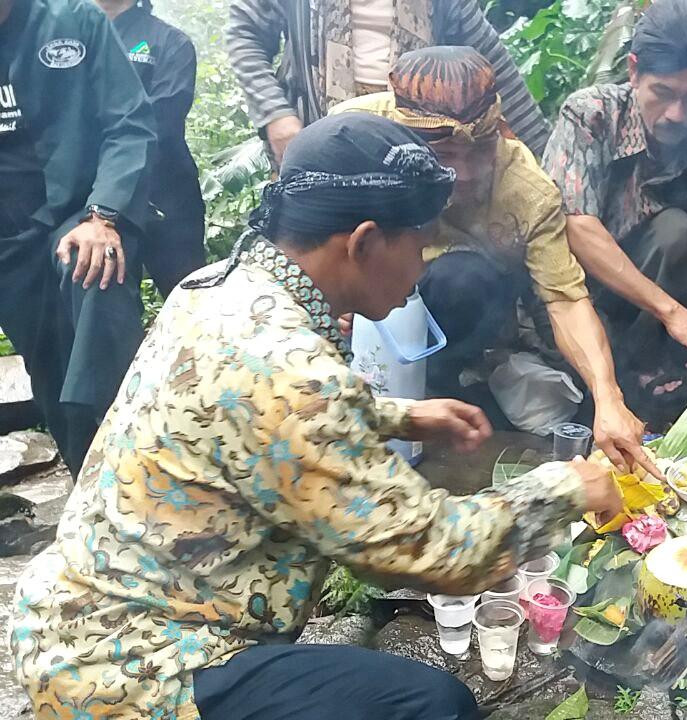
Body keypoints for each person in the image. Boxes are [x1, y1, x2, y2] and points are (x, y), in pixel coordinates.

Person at [9, 113, 623, 720]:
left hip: (75, 622)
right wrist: (567, 486)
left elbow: (252, 413)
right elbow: (434, 549)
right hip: (134, 670)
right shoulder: (295, 378)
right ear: (362, 242)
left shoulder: (217, 286)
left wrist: (397, 416)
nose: (423, 267)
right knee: (431, 705)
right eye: (418, 244)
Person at [332, 46, 661, 476]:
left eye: (481, 151)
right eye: (446, 156)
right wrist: (339, 298)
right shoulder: (352, 136)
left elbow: (566, 300)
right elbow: (308, 235)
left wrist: (608, 397)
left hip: (457, 296)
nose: (465, 173)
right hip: (365, 297)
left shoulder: (527, 190)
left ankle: (450, 386)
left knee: (464, 279)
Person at [542, 0, 687, 414]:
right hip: (570, 301)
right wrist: (673, 313)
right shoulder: (591, 116)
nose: (676, 114)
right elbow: (574, 224)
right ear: (634, 71)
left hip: (644, 327)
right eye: (663, 93)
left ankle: (644, 380)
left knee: (677, 230)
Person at [0, 0, 155, 478]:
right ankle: (88, 485)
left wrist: (102, 213)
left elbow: (128, 123)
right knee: (47, 369)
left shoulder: (74, 21)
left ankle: (134, 450)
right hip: (10, 235)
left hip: (80, 212)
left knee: (94, 279)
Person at [227, 0, 551, 167]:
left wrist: (547, 160)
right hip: (321, 135)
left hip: (418, 142)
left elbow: (494, 68)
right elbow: (246, 33)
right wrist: (276, 116)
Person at [97, 0, 206, 296]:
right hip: (96, 204)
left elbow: (162, 123)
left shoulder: (171, 42)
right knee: (107, 299)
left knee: (187, 296)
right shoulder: (69, 42)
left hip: (169, 196)